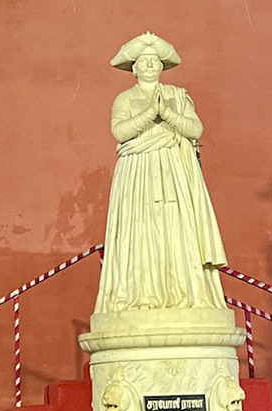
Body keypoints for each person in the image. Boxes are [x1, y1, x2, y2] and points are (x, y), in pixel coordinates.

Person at [92, 33, 228, 314]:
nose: (150, 65)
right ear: (134, 69)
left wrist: (166, 112)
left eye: (155, 61)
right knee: (142, 229)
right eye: (144, 61)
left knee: (178, 229)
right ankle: (142, 292)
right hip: (139, 171)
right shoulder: (125, 99)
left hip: (175, 172)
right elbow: (119, 132)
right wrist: (149, 113)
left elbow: (195, 130)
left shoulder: (177, 96)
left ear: (162, 66)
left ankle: (184, 291)